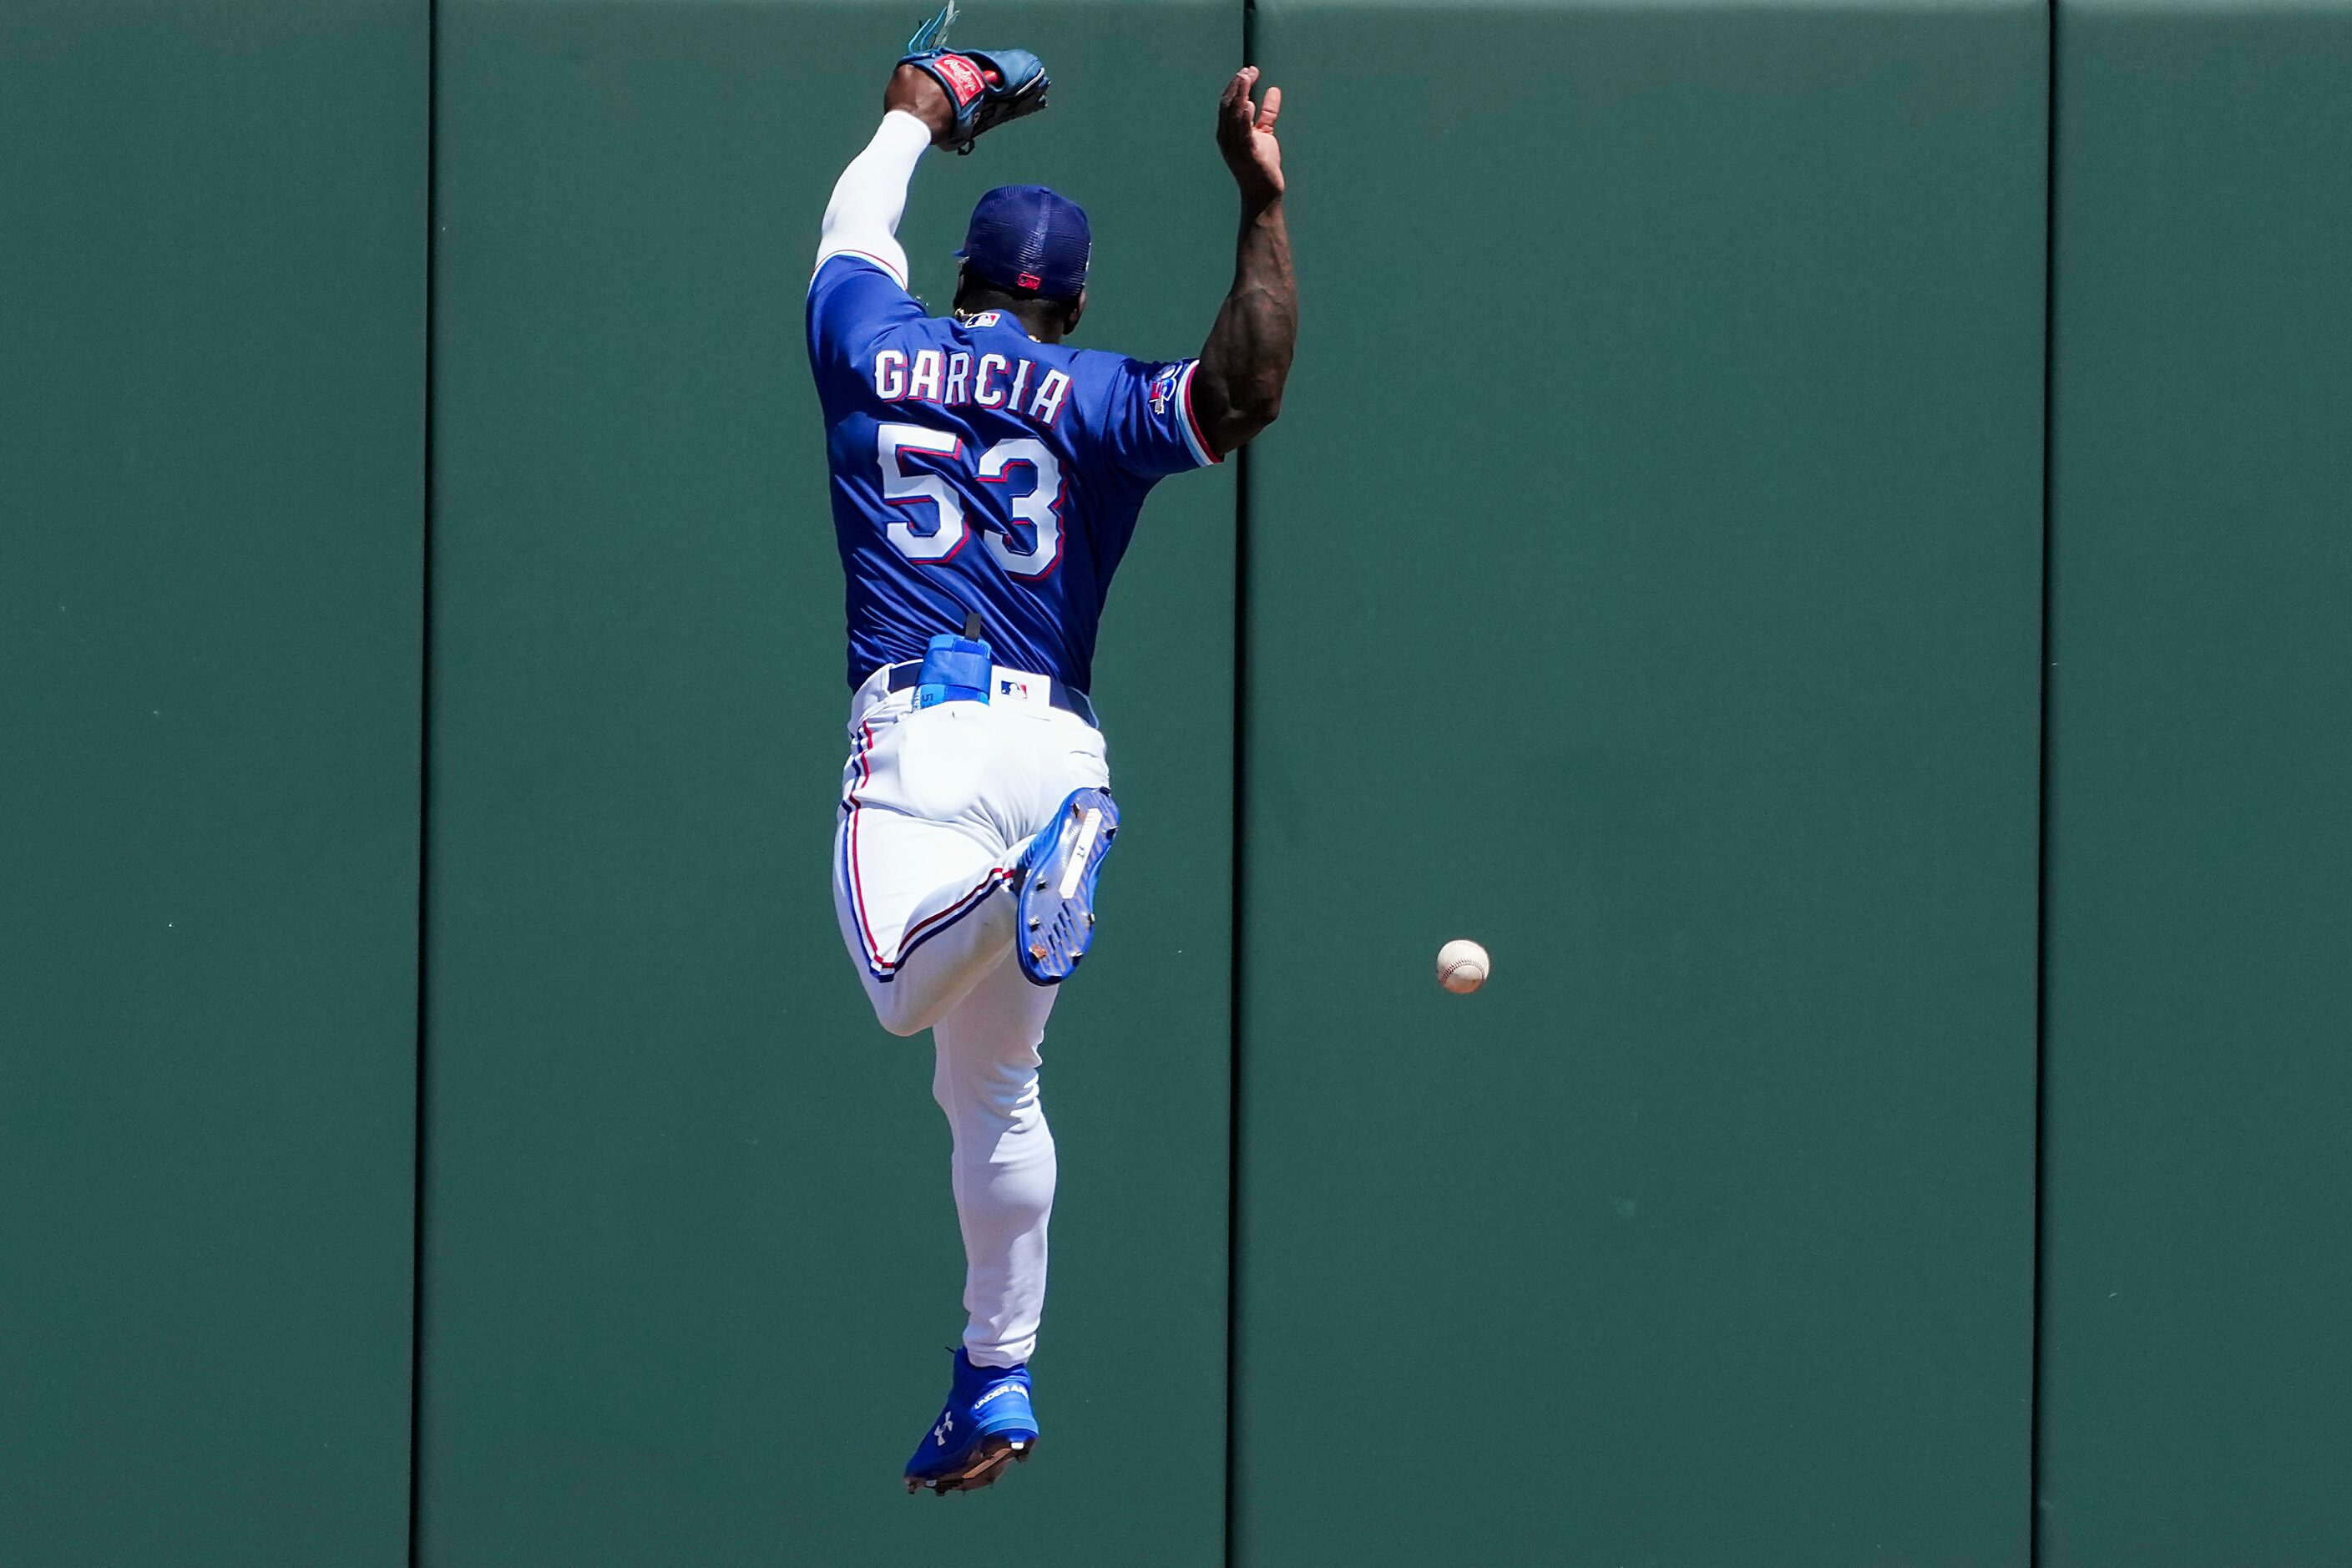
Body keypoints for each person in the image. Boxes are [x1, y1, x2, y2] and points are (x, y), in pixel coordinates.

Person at [805, 38, 1297, 1494]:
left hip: (927, 744)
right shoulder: (1093, 395)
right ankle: (994, 1376)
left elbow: (849, 223)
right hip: (1052, 741)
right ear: (1068, 304)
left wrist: (920, 107)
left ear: (963, 279)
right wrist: (1258, 204)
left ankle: (1029, 880)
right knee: (993, 1095)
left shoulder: (861, 338)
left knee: (900, 981)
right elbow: (1246, 386)